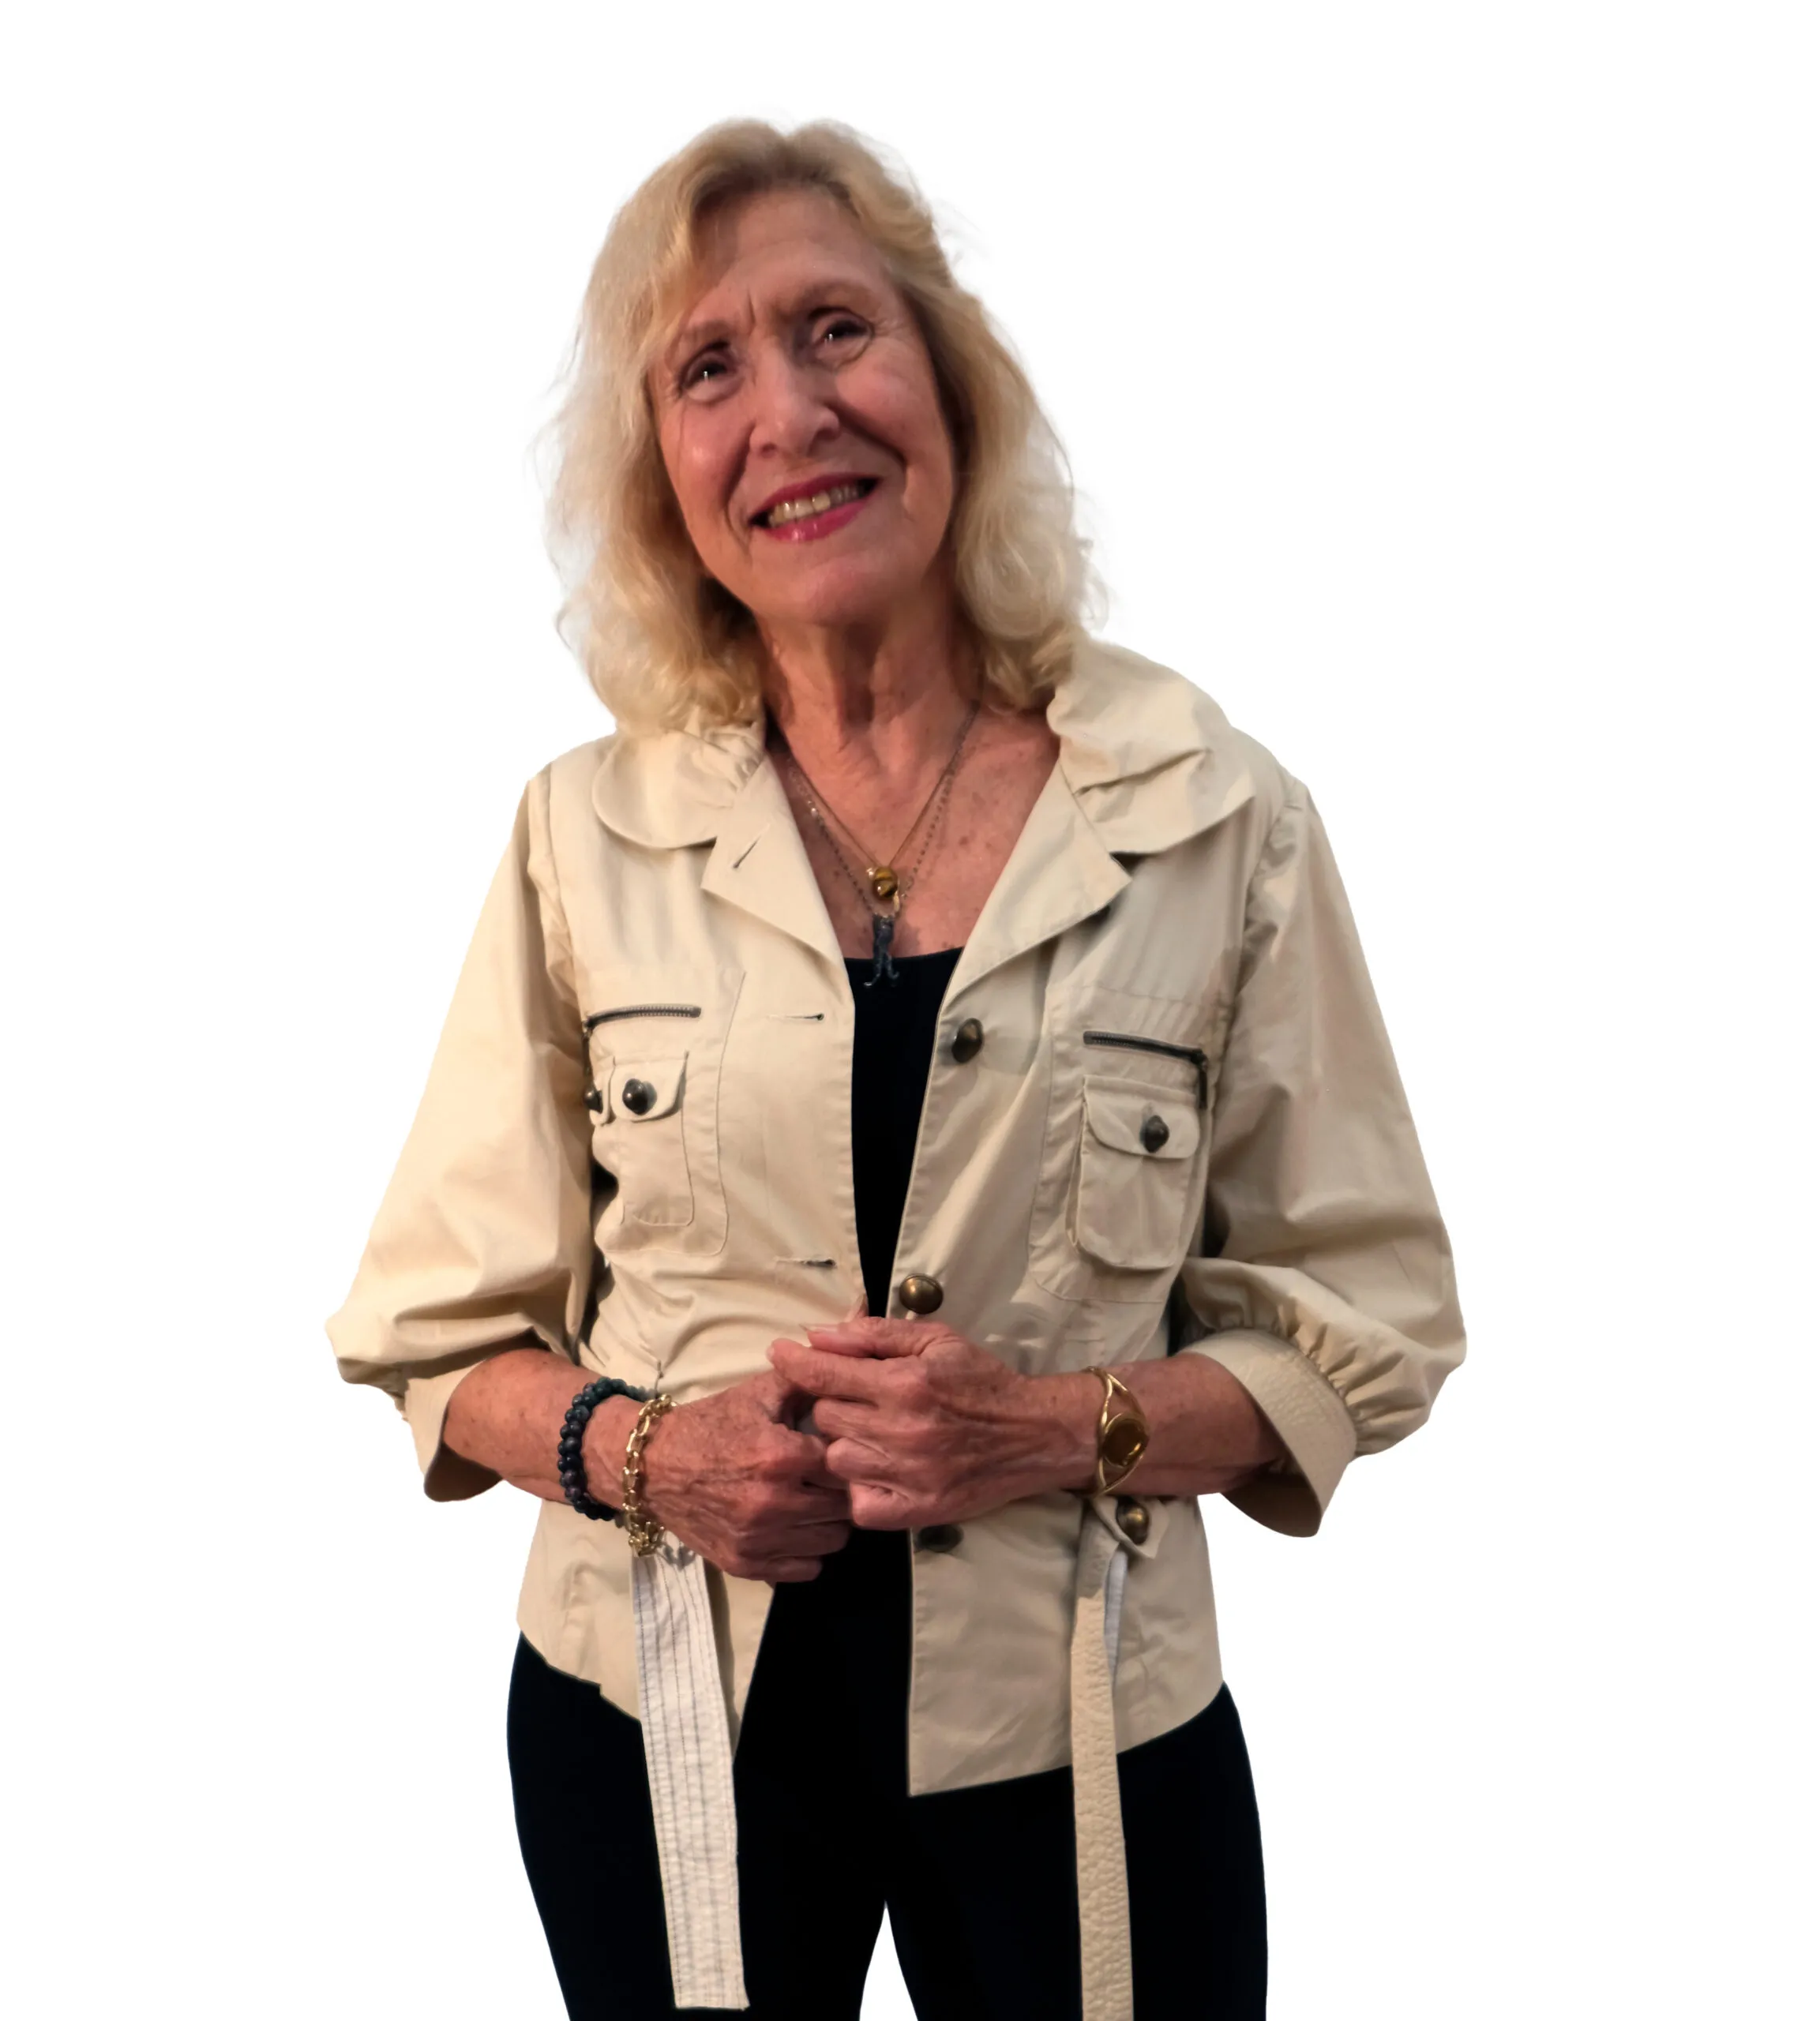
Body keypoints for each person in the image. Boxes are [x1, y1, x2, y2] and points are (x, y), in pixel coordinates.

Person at [328, 119, 1465, 2021]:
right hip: (656, 1721)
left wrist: (1045, 1428)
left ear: (951, 383)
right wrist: (657, 1457)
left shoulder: (1212, 814)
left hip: (1086, 1720)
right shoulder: (580, 837)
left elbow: (1369, 1319)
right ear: (663, 474)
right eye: (709, 368)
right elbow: (438, 1334)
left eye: (836, 330)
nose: (789, 414)